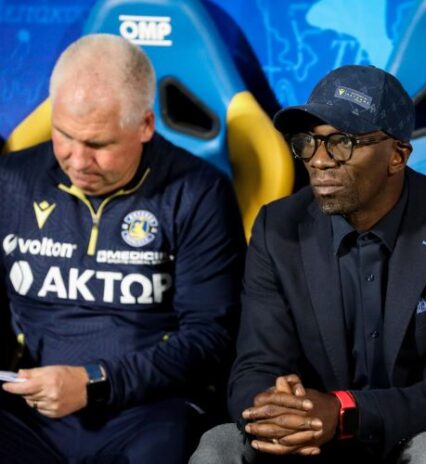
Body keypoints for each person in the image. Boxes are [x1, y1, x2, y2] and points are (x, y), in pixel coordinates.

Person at [191, 64, 426, 464]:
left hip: (422, 431)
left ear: (397, 155)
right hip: (313, 441)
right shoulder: (277, 227)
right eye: (309, 142)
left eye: (341, 142)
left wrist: (344, 412)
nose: (319, 160)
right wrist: (277, 412)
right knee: (220, 445)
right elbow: (255, 367)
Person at [0, 34, 246, 463]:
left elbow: (211, 339)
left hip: (149, 410)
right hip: (28, 408)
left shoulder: (197, 192)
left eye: (98, 145)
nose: (78, 160)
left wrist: (96, 381)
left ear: (145, 125)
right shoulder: (12, 181)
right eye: (64, 135)